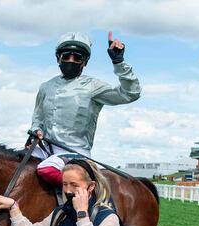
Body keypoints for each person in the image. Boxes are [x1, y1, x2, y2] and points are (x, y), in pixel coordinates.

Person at [31, 31, 141, 186]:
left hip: (75, 152)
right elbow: (38, 118)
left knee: (47, 169)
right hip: (44, 148)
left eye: (77, 58)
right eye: (66, 56)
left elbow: (131, 94)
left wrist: (119, 62)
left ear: (85, 62)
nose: (71, 60)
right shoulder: (45, 87)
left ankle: (84, 198)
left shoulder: (93, 86)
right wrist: (36, 130)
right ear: (58, 58)